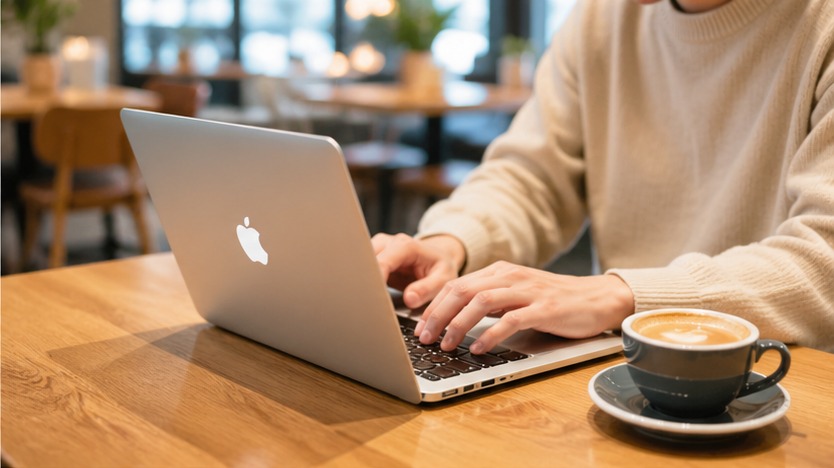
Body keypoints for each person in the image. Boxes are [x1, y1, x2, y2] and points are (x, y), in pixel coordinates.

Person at [372, 0, 834, 354]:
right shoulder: (600, 17)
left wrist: (621, 295)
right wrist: (453, 242)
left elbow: (823, 259)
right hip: (617, 362)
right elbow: (532, 177)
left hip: (781, 376)